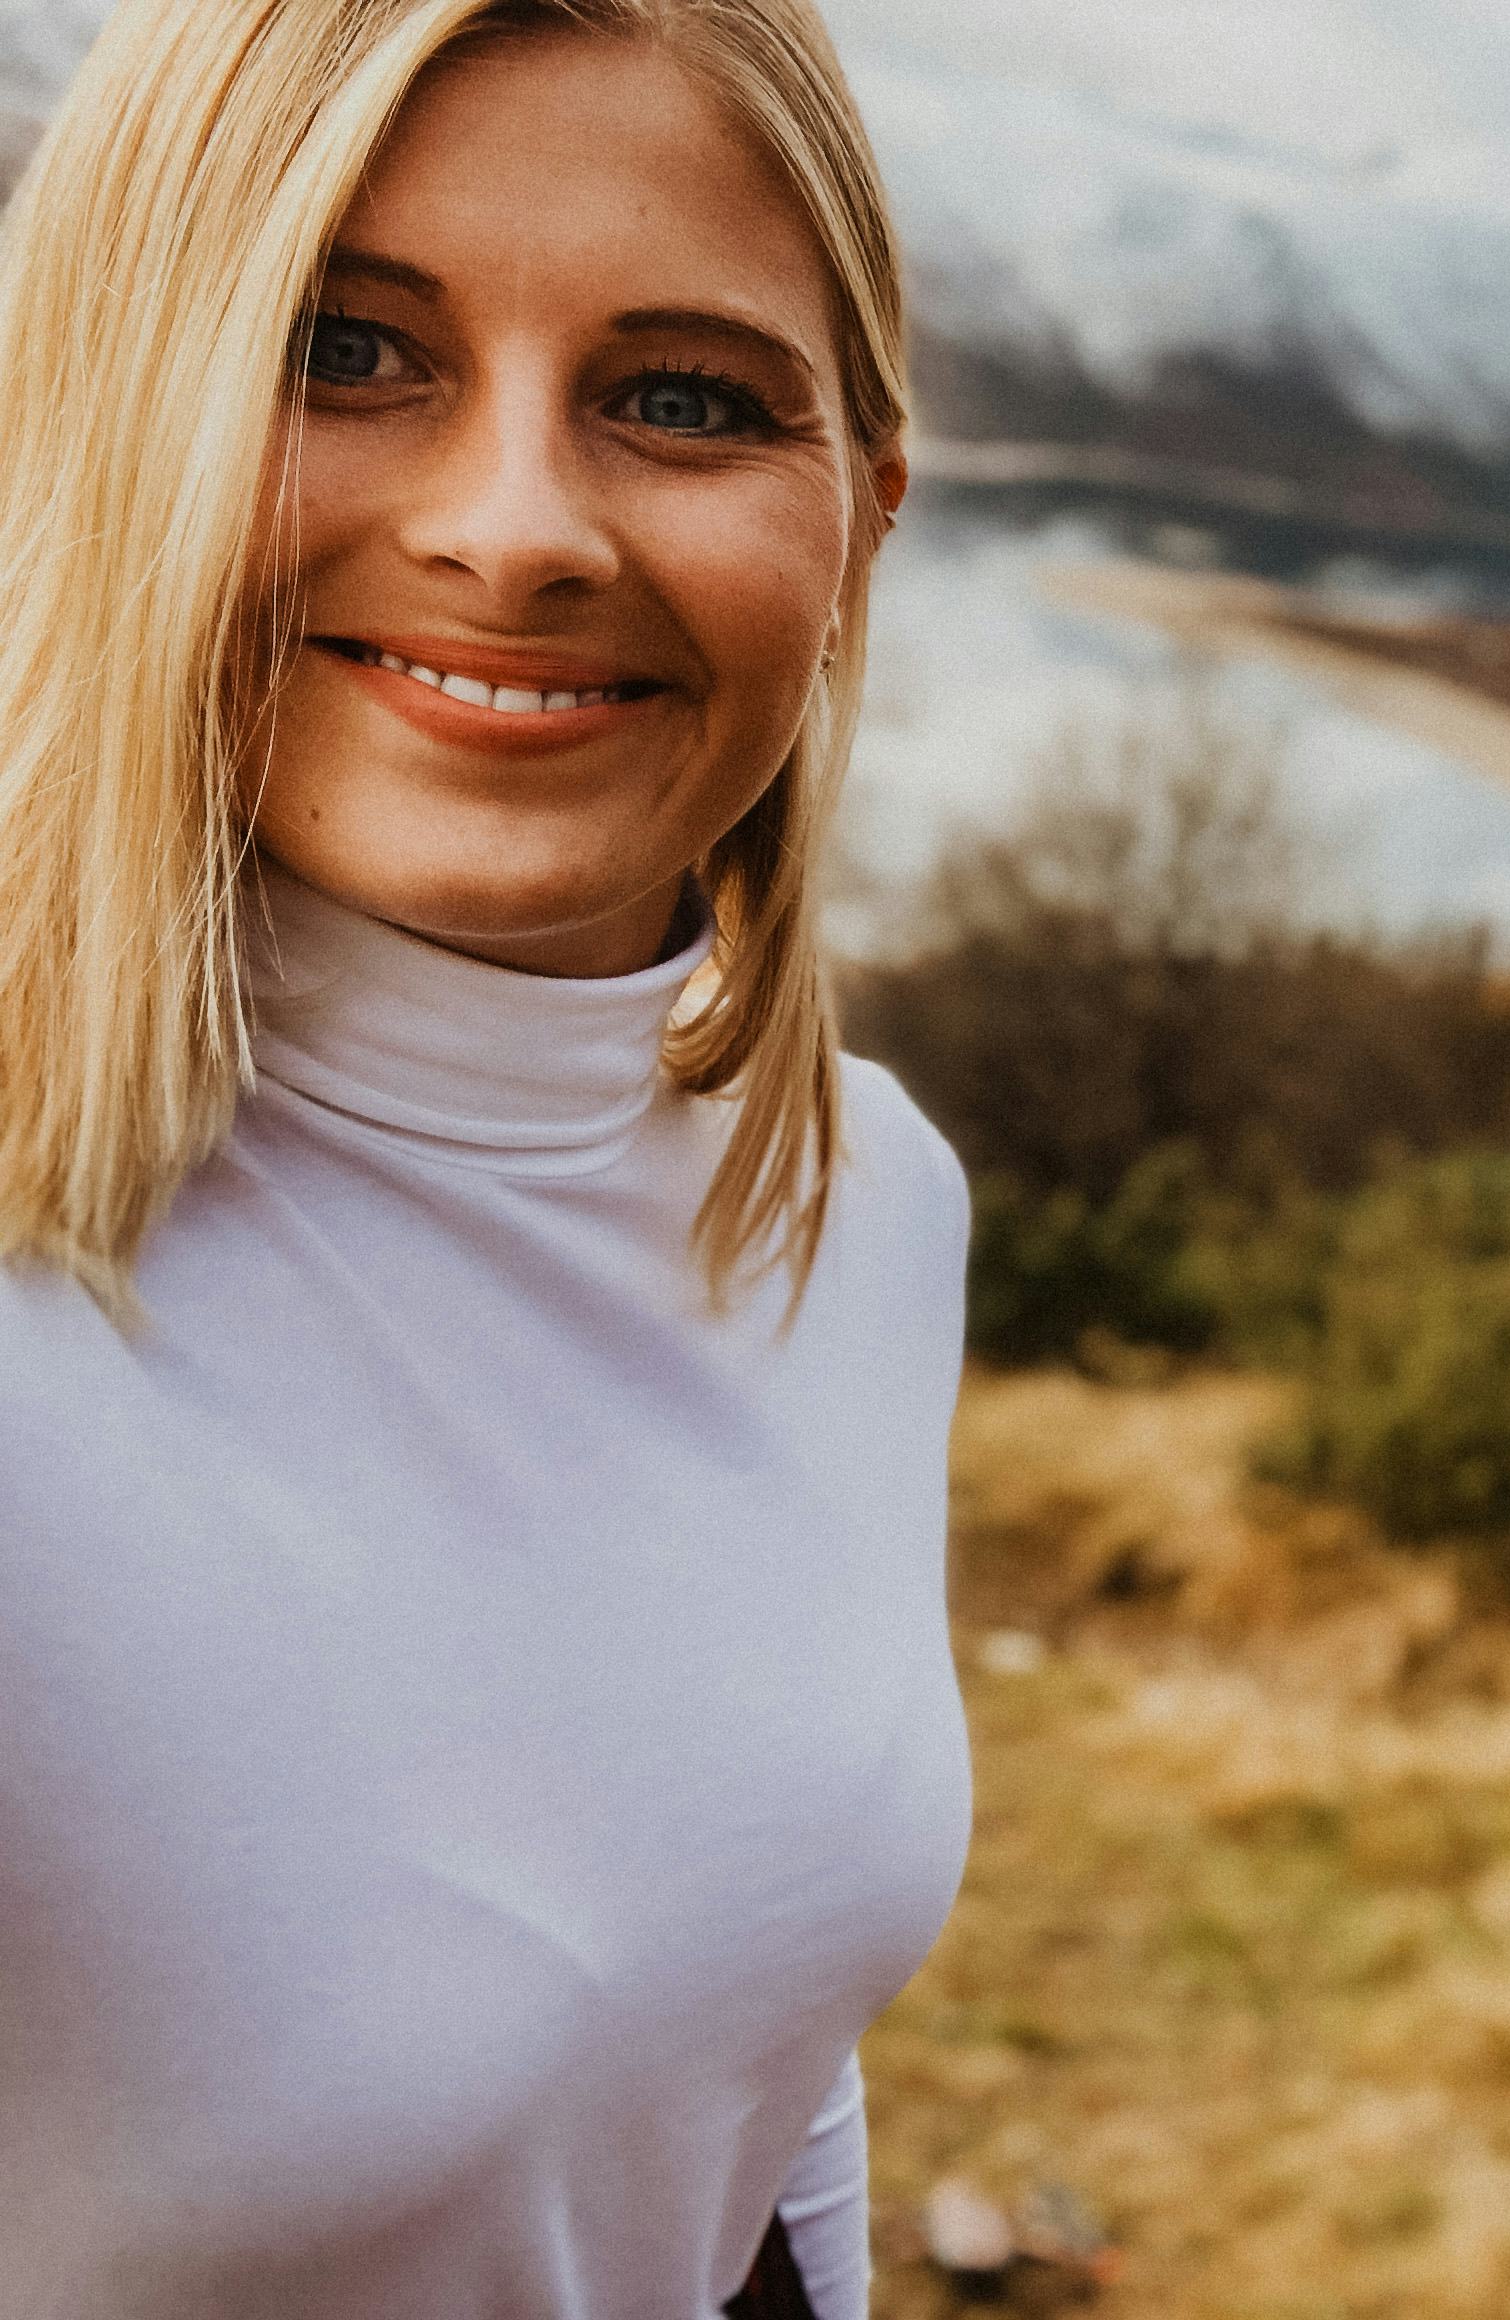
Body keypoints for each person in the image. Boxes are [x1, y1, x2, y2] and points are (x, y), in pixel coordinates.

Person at [0, 5, 967, 2316]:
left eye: (685, 396)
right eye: (345, 346)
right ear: (107, 389)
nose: (515, 529)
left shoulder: (859, 1203)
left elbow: (744, 2065)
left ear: (861, 509)